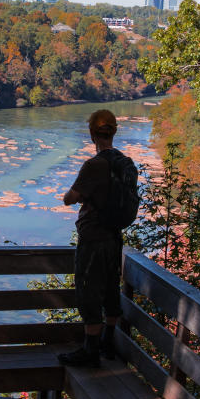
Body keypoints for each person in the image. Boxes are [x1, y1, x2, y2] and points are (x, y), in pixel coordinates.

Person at [57, 109, 131, 367]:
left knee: (88, 290)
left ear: (91, 134)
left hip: (93, 237)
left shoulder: (93, 165)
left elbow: (69, 199)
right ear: (114, 131)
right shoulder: (125, 163)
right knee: (111, 287)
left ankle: (90, 351)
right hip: (114, 236)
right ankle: (107, 343)